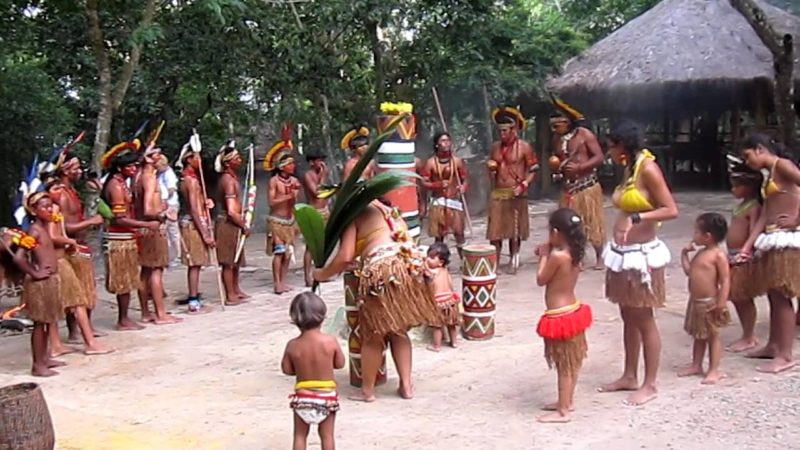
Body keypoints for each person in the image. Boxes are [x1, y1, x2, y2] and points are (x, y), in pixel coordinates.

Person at [313, 198, 442, 402]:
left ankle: (367, 391)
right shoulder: (387, 210)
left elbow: (346, 256)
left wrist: (322, 274)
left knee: (374, 333)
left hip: (383, 270)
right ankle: (406, 386)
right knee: (398, 329)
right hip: (408, 268)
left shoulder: (353, 212)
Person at [598, 120, 678, 406]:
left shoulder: (648, 169)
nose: (608, 151)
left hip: (643, 254)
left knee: (643, 318)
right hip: (623, 254)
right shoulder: (629, 168)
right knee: (627, 315)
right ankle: (629, 375)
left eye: (611, 145)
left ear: (624, 145)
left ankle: (650, 383)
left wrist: (637, 218)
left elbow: (671, 209)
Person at [737, 133, 800, 373]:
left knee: (782, 294)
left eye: (748, 155)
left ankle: (785, 355)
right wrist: (748, 244)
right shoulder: (769, 174)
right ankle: (774, 346)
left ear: (760, 149)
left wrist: (796, 220)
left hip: (788, 239)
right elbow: (765, 213)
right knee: (773, 294)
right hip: (772, 235)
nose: (747, 161)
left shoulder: (783, 165)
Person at [534, 208, 593, 423]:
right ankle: (566, 401)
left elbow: (541, 279)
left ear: (557, 232)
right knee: (571, 361)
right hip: (573, 308)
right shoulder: (575, 253)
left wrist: (543, 257)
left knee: (564, 365)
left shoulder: (557, 256)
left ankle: (563, 412)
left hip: (559, 315)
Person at [100, 144, 159, 330]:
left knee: (126, 280)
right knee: (123, 281)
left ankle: (124, 318)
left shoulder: (121, 184)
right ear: (119, 167)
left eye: (135, 165)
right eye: (130, 166)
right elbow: (120, 218)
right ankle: (123, 320)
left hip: (126, 238)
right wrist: (146, 224)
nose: (134, 169)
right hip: (119, 239)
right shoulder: (116, 187)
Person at [48, 154, 105, 342]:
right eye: (76, 168)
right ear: (65, 170)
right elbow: (63, 228)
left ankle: (85, 328)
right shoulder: (60, 195)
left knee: (86, 290)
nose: (80, 171)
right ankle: (75, 332)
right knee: (75, 294)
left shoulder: (71, 190)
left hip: (80, 246)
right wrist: (91, 221)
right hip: (70, 249)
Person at [47, 200, 113, 356]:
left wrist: (68, 242)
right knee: (77, 302)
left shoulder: (51, 213)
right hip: (57, 263)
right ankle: (90, 343)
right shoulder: (45, 219)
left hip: (58, 261)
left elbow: (60, 234)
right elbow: (53, 236)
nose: (50, 209)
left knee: (53, 306)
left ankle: (56, 345)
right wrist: (70, 240)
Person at [281, 292, 345, 450]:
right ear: (322, 316)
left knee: (300, 436)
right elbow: (340, 364)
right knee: (327, 436)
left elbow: (287, 370)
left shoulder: (293, 345)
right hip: (326, 398)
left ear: (295, 319)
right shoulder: (330, 342)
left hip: (303, 398)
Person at [549, 99, 606, 269]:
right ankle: (576, 257)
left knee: (593, 222)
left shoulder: (585, 135)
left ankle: (599, 258)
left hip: (587, 186)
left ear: (568, 122)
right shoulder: (557, 139)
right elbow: (558, 160)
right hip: (568, 188)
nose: (556, 129)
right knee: (569, 224)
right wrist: (557, 172)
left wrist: (581, 167)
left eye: (558, 125)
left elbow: (599, 157)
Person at [16, 193, 68, 376]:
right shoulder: (34, 231)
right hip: (40, 283)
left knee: (48, 321)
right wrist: (35, 272)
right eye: (44, 207)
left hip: (49, 281)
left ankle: (45, 358)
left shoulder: (45, 228)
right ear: (34, 211)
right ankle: (38, 365)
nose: (49, 209)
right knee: (40, 324)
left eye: (50, 206)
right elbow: (19, 257)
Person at [678, 213, 730, 384]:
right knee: (698, 335)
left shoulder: (718, 255)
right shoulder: (700, 253)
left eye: (696, 232)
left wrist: (721, 302)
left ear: (708, 236)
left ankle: (714, 369)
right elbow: (689, 272)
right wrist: (684, 255)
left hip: (710, 302)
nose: (693, 235)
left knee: (713, 336)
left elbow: (725, 280)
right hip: (696, 303)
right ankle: (696, 364)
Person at [486, 106, 538, 274]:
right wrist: (491, 170)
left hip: (516, 191)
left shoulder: (524, 147)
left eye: (506, 131)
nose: (502, 134)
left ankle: (514, 257)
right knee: (496, 230)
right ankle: (496, 260)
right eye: (500, 131)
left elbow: (533, 169)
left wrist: (524, 185)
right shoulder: (495, 147)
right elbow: (491, 169)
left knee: (514, 230)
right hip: (498, 192)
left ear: (514, 130)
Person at [134, 145, 180, 325]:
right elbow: (147, 209)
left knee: (145, 272)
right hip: (153, 228)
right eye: (156, 154)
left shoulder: (137, 177)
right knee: (156, 270)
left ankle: (146, 312)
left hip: (144, 229)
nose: (160, 157)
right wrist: (163, 213)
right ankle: (161, 314)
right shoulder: (149, 178)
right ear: (147, 158)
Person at [725, 157, 763, 352]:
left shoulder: (754, 206)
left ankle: (749, 336)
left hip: (743, 256)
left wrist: (747, 250)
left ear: (748, 186)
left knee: (743, 296)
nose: (733, 190)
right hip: (732, 253)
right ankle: (746, 334)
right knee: (736, 296)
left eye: (736, 186)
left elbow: (756, 229)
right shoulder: (741, 205)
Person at [177, 144, 215, 312]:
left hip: (194, 221)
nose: (200, 161)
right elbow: (193, 209)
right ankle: (193, 299)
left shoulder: (189, 179)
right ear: (188, 159)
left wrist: (206, 203)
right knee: (195, 263)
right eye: (197, 158)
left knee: (196, 263)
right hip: (193, 224)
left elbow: (197, 204)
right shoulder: (190, 181)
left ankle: (194, 295)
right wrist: (205, 233)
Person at [214, 141, 250, 305]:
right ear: (228, 162)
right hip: (228, 223)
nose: (240, 160)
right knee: (228, 262)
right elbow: (230, 210)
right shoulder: (228, 181)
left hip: (234, 222)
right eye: (236, 158)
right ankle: (230, 294)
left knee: (235, 260)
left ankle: (236, 289)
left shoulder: (231, 178)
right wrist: (243, 224)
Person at [265, 127, 301, 294]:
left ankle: (284, 281)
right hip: (277, 221)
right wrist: (289, 195)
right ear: (282, 166)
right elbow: (272, 202)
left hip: (289, 221)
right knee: (279, 253)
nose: (293, 166)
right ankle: (277, 283)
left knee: (287, 253)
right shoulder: (274, 181)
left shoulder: (294, 180)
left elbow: (295, 202)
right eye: (290, 164)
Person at [422, 132, 468, 257]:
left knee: (459, 234)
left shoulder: (457, 161)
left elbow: (465, 179)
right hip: (438, 202)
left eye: (448, 140)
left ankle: (464, 261)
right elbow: (424, 183)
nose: (446, 143)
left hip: (454, 202)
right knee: (439, 235)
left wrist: (463, 187)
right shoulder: (431, 163)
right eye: (443, 141)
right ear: (437, 144)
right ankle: (440, 261)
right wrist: (437, 185)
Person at [301, 151, 330, 287]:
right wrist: (323, 176)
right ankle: (307, 277)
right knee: (311, 247)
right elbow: (318, 193)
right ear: (311, 162)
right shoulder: (308, 176)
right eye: (318, 160)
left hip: (324, 211)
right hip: (314, 211)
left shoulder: (322, 173)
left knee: (323, 245)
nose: (321, 163)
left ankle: (321, 273)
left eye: (322, 160)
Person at [424, 242, 459, 352]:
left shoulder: (432, 272)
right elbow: (450, 284)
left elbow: (426, 273)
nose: (428, 260)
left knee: (437, 325)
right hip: (451, 300)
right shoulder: (445, 270)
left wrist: (423, 263)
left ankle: (437, 346)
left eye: (431, 257)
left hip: (439, 302)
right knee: (451, 324)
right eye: (428, 256)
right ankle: (454, 342)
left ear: (440, 262)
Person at [156, 154, 181, 265]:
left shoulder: (168, 173)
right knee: (165, 231)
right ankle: (169, 255)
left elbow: (171, 189)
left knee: (172, 230)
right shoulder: (159, 174)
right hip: (163, 204)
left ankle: (177, 255)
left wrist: (163, 199)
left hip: (170, 204)